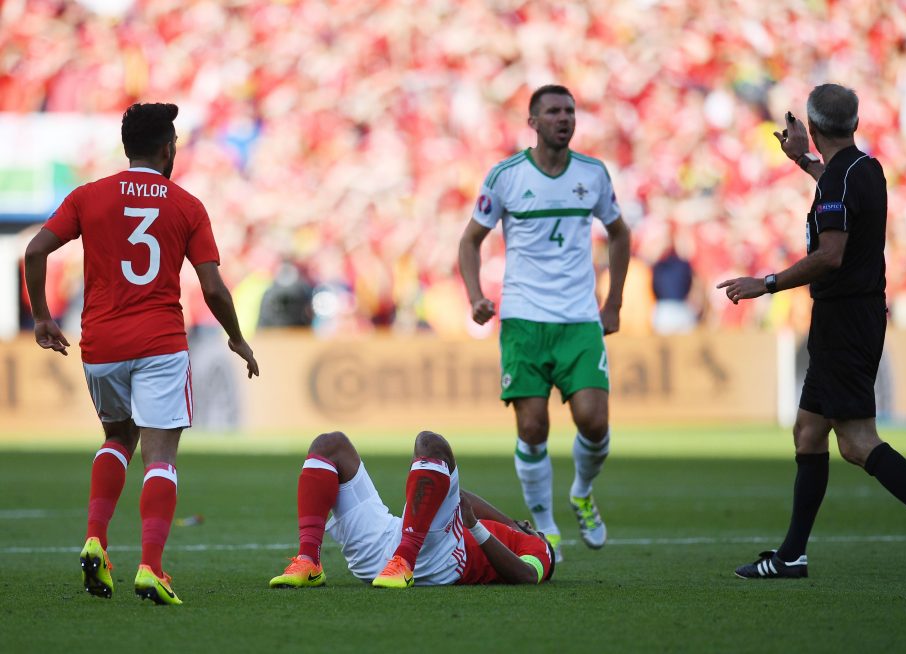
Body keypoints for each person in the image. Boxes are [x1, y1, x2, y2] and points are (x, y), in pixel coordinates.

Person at [23, 103, 260, 605]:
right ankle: (151, 566)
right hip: (159, 343)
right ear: (167, 147)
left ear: (127, 146)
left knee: (116, 438)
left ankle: (96, 539)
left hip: (101, 344)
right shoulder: (188, 205)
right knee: (161, 456)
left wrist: (42, 317)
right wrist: (236, 336)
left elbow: (36, 251)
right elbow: (213, 289)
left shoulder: (89, 196)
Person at [718, 84, 906, 581]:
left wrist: (766, 283)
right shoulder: (866, 169)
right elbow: (833, 185)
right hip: (851, 315)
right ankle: (792, 555)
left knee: (858, 442)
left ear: (814, 129)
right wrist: (805, 161)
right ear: (855, 124)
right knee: (809, 432)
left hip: (845, 318)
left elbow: (831, 255)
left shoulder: (841, 179)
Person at [457, 84, 631, 561]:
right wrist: (475, 296)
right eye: (553, 111)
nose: (564, 118)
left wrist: (613, 300)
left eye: (570, 111)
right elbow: (470, 240)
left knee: (594, 422)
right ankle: (548, 527)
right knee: (533, 428)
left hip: (578, 318)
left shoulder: (593, 174)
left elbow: (619, 232)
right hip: (523, 320)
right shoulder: (506, 176)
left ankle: (581, 493)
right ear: (532, 122)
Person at [268, 430, 555, 588]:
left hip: (438, 560)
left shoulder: (539, 548)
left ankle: (404, 561)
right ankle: (309, 562)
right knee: (330, 445)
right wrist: (510, 521)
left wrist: (478, 527)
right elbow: (461, 498)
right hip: (388, 546)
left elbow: (527, 576)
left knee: (431, 445)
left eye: (531, 527)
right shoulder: (508, 526)